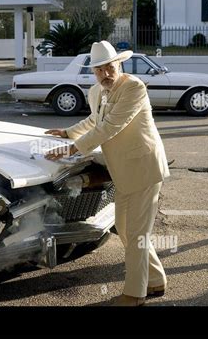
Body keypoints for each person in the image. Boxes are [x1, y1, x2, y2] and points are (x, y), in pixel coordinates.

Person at [44, 41, 170, 306]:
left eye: (109, 68)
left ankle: (135, 295)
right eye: (99, 70)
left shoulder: (134, 87)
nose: (105, 74)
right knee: (125, 229)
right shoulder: (96, 91)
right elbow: (95, 120)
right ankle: (156, 280)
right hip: (122, 172)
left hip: (144, 169)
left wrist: (72, 148)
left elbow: (112, 125)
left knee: (136, 235)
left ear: (119, 65)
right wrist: (68, 132)